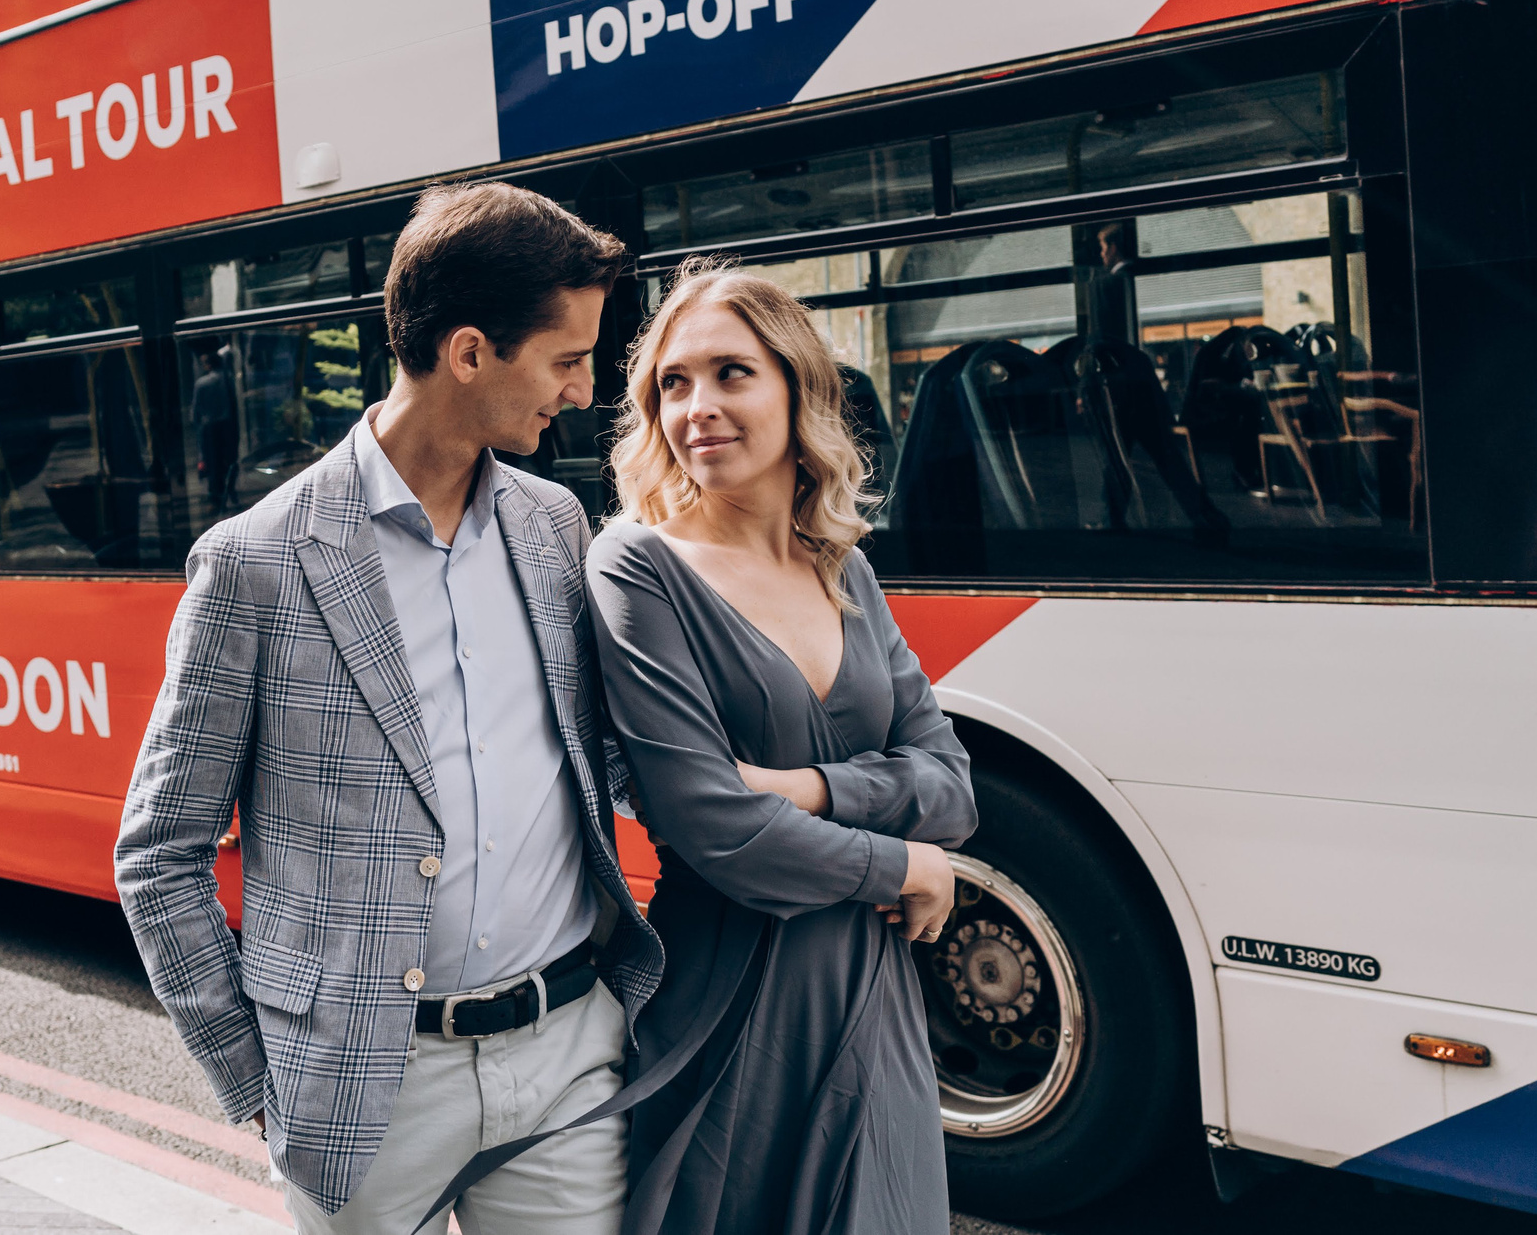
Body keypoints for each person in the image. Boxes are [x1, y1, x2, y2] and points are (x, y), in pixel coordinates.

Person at [117, 183, 661, 1235]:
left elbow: (599, 756)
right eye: (565, 358)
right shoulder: (256, 561)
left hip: (566, 1053)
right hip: (367, 1086)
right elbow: (159, 850)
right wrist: (257, 1075)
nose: (585, 389)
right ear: (468, 353)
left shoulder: (554, 523)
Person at [584, 259, 976, 1235]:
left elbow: (955, 785)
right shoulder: (637, 565)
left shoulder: (841, 567)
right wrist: (903, 860)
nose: (695, 407)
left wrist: (804, 786)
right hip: (731, 998)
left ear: (796, 388)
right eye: (671, 383)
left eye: (729, 373)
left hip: (869, 987)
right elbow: (713, 827)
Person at [190, 346, 240, 512]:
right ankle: (229, 492)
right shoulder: (228, 380)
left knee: (212, 462)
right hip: (227, 426)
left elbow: (195, 412)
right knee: (228, 460)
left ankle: (215, 497)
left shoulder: (202, 383)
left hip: (209, 429)